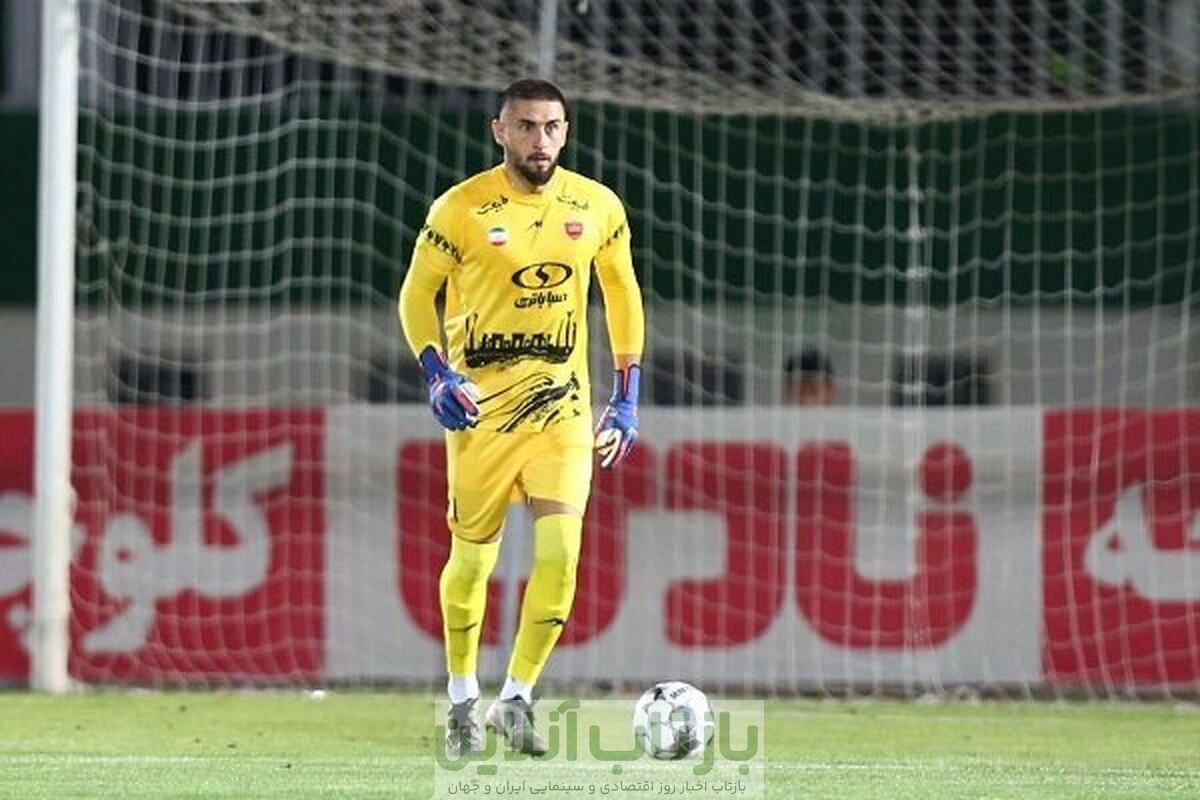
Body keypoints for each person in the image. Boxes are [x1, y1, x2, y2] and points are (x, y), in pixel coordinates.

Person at [398, 78, 644, 756]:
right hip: (480, 414)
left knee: (562, 554)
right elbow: (416, 296)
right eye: (528, 126)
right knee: (471, 565)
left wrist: (628, 394)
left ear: (566, 132)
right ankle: (460, 698)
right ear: (499, 130)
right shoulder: (461, 208)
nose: (542, 140)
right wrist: (436, 371)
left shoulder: (597, 206)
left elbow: (622, 292)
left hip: (562, 411)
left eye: (553, 127)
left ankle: (517, 697)